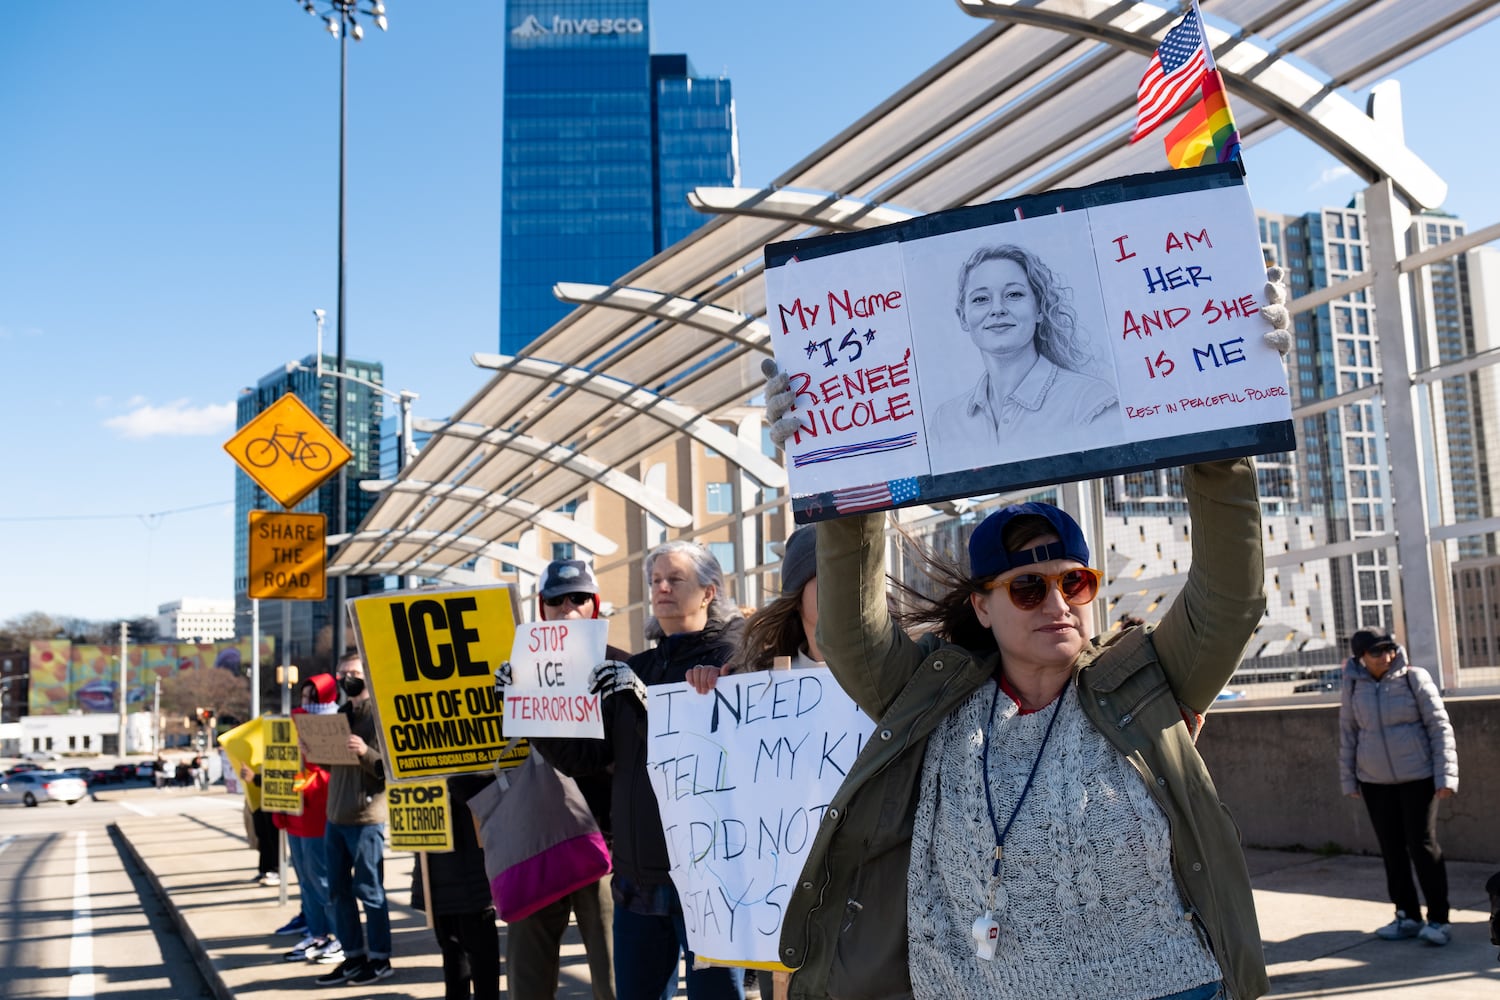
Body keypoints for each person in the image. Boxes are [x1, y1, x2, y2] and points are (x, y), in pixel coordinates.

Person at [525, 543, 746, 1000]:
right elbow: (582, 760)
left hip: (707, 879)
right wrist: (526, 710)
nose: (662, 588)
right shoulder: (638, 666)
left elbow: (718, 751)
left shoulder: (734, 661)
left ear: (709, 592)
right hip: (637, 878)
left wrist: (642, 700)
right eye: (655, 580)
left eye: (675, 579)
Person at [498, 559, 621, 1000]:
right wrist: (505, 704)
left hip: (602, 840)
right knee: (529, 976)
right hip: (536, 838)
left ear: (595, 605)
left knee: (614, 974)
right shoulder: (516, 670)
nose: (568, 607)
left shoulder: (620, 667)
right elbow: (494, 757)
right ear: (542, 607)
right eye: (557, 599)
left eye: (579, 597)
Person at [928, 244, 1118, 461]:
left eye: (1014, 294)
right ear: (963, 317)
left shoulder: (1089, 402)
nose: (997, 309)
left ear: (1039, 309)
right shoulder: (946, 420)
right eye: (981, 299)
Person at [1339, 630, 1459, 946]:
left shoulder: (1413, 678)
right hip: (1374, 782)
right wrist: (1349, 779)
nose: (1385, 657)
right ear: (1360, 657)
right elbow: (1348, 734)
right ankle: (1406, 915)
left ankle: (1439, 919)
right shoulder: (1353, 685)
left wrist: (1445, 776)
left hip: (1418, 777)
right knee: (1392, 850)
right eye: (1376, 652)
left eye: (1389, 649)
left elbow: (1439, 727)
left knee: (1422, 846)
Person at [315, 651, 394, 987]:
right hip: (336, 816)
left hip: (366, 818)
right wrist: (316, 751)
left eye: (352, 672)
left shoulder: (378, 714)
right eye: (341, 673)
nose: (346, 679)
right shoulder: (339, 714)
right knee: (337, 892)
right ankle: (353, 956)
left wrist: (364, 752)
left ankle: (379, 958)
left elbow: (386, 770)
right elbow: (335, 766)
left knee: (370, 890)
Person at [411, 772, 502, 1000]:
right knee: (453, 955)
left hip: (472, 874)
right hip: (436, 869)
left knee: (481, 959)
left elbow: (485, 791)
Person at [279, 674, 343, 966]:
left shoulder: (335, 725)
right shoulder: (292, 723)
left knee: (320, 877)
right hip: (296, 808)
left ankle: (339, 935)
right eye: (303, 697)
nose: (305, 703)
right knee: (306, 877)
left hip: (318, 809)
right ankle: (318, 933)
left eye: (311, 697)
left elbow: (332, 772)